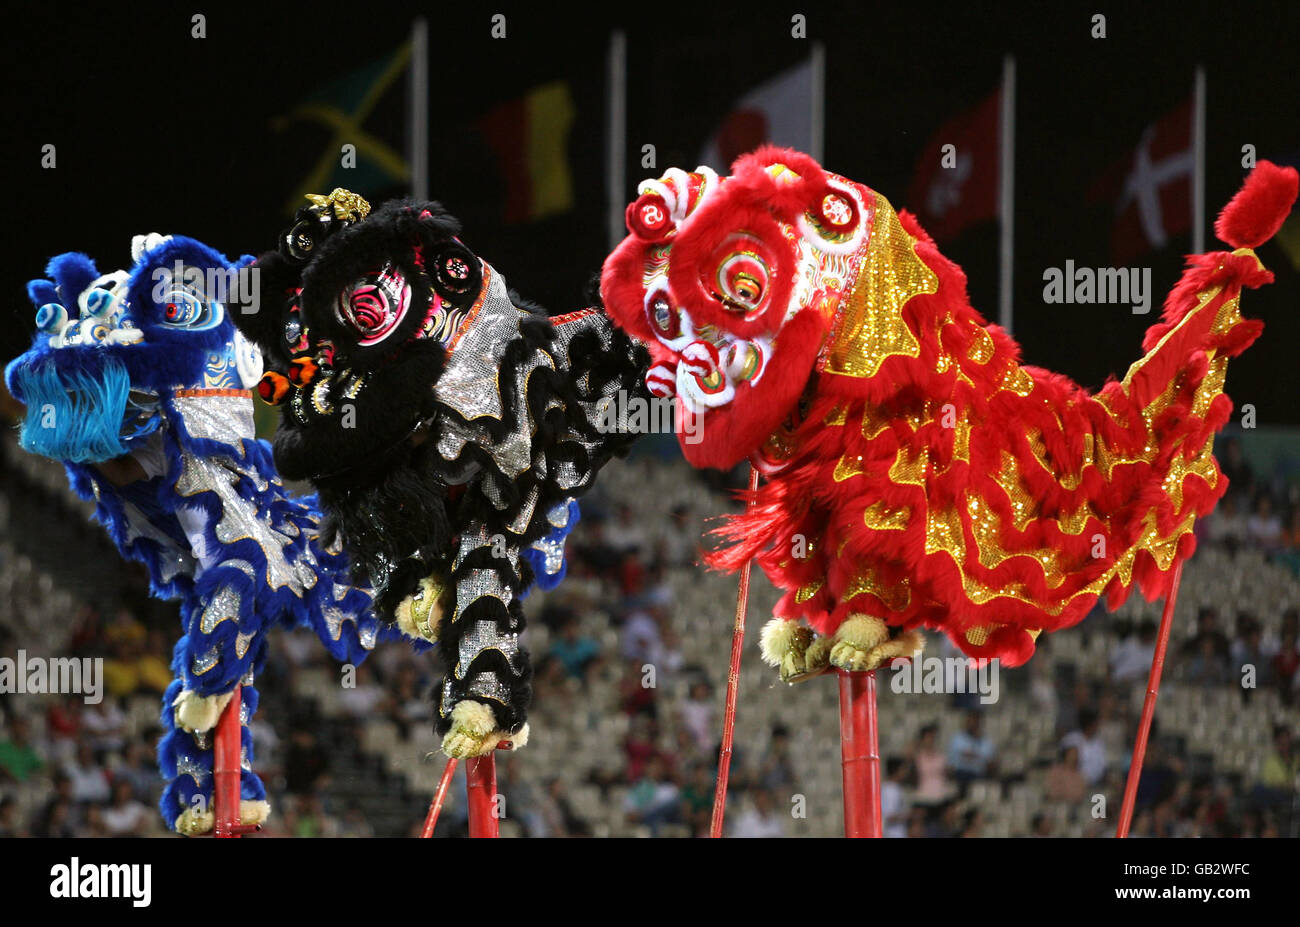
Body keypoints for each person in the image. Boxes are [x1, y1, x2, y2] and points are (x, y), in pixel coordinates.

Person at [947, 711, 997, 792]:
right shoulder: (957, 738)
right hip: (960, 774)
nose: (972, 724)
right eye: (970, 721)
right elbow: (951, 762)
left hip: (979, 775)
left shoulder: (986, 741)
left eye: (975, 721)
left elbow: (990, 762)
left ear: (979, 723)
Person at [1061, 709, 1107, 785]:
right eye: (1095, 724)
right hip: (1071, 781)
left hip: (1095, 784)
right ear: (1090, 725)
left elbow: (1102, 766)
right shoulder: (1070, 740)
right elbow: (1064, 762)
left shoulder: (1099, 743)